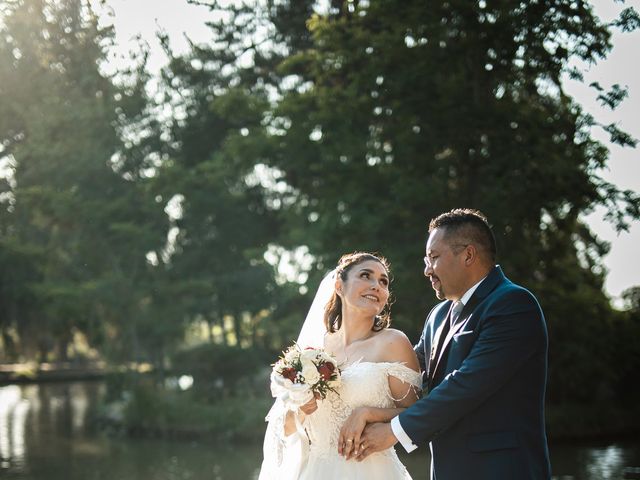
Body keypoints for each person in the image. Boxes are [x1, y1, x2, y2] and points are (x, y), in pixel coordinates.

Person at [352, 209, 552, 479]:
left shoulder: (514, 304)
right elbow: (400, 371)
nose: (427, 270)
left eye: (434, 258)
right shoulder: (437, 315)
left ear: (468, 255)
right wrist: (335, 379)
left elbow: (466, 384)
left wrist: (393, 430)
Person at [259, 252, 422, 480]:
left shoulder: (393, 343)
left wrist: (367, 413)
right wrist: (300, 409)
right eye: (366, 276)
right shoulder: (313, 350)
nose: (376, 286)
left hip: (373, 471)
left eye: (383, 282)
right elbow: (284, 429)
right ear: (338, 286)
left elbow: (418, 413)